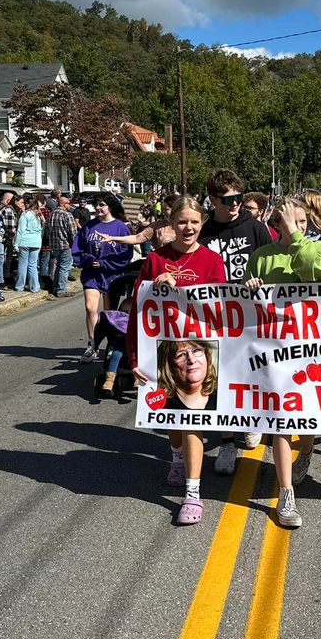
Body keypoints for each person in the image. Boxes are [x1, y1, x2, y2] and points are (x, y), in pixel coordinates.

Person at [128, 196, 228, 525]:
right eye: (182, 221)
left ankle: (193, 493)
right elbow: (137, 314)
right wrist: (133, 358)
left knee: (193, 420)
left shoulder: (213, 260)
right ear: (172, 223)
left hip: (200, 351)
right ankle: (174, 457)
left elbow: (221, 306)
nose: (189, 228)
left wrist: (186, 289)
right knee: (173, 418)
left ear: (202, 223)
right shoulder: (156, 260)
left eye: (195, 222)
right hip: (164, 352)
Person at [244, 197, 321, 530]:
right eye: (290, 222)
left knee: (306, 418)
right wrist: (249, 288)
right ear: (276, 223)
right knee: (281, 421)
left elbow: (315, 273)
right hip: (272, 353)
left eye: (304, 223)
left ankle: (305, 454)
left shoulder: (315, 250)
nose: (299, 228)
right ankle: (286, 492)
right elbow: (244, 307)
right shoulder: (261, 257)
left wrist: (296, 235)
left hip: (309, 351)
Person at [198, 169, 273, 460]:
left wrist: (260, 283)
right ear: (213, 200)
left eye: (239, 198)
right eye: (228, 200)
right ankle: (227, 442)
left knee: (253, 372)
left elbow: (271, 266)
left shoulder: (254, 227)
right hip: (216, 316)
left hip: (251, 316)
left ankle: (253, 418)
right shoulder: (204, 232)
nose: (235, 205)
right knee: (223, 378)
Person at [73, 194, 132, 360]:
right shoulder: (89, 226)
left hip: (112, 275)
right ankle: (92, 344)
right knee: (90, 308)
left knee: (108, 313)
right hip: (92, 274)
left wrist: (105, 263)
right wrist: (87, 260)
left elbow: (125, 254)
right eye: (96, 205)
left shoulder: (120, 227)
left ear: (110, 207)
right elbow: (78, 248)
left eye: (102, 205)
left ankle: (112, 344)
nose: (98, 208)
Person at [12, 194, 44, 294]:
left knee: (22, 264)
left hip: (25, 241)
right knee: (33, 265)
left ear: (27, 204)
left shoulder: (25, 215)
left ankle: (19, 286)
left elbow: (20, 231)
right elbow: (42, 230)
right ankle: (35, 286)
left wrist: (16, 244)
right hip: (36, 241)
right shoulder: (39, 215)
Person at [48, 194, 78, 296]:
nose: (70, 205)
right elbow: (73, 232)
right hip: (65, 244)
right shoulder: (67, 215)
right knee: (64, 268)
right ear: (63, 204)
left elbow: (49, 229)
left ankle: (55, 287)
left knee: (59, 267)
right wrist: (75, 245)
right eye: (68, 203)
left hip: (54, 244)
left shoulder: (52, 214)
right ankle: (61, 290)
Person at [0, 191, 18, 288]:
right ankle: (1, 280)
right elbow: (10, 228)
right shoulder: (7, 210)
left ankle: (3, 277)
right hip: (1, 237)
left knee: (2, 258)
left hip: (3, 237)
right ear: (9, 200)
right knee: (0, 258)